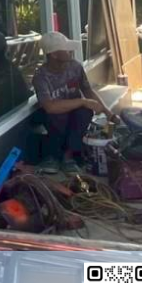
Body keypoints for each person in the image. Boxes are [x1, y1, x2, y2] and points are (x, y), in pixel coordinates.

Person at [33, 31, 116, 175]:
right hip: (55, 117)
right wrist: (82, 101)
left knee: (84, 112)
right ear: (54, 54)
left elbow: (88, 90)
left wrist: (108, 113)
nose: (70, 51)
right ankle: (53, 157)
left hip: (75, 115)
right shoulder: (41, 76)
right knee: (54, 115)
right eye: (66, 49)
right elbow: (50, 107)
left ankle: (68, 157)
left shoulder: (75, 67)